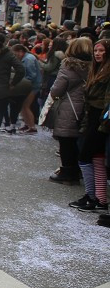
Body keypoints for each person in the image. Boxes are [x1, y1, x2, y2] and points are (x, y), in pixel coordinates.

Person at [69, 39, 110, 212]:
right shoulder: (96, 70)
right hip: (93, 118)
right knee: (97, 158)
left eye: (101, 51)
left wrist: (103, 125)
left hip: (101, 120)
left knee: (85, 157)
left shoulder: (107, 73)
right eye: (96, 51)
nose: (98, 53)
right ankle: (98, 198)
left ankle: (93, 196)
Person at [47, 37, 90, 185]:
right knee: (79, 140)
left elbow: (57, 89)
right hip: (87, 106)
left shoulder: (68, 65)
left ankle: (67, 172)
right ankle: (78, 170)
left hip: (69, 106)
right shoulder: (95, 66)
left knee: (66, 140)